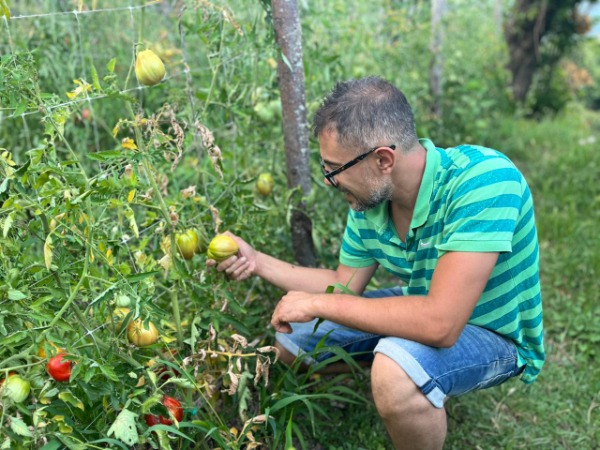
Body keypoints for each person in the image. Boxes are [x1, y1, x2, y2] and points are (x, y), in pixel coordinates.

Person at [208, 76, 544, 450]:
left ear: (383, 159)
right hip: (428, 304)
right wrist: (256, 261)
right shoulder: (371, 201)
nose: (329, 181)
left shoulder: (483, 180)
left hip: (496, 334)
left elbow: (441, 324)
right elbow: (343, 284)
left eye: (334, 169)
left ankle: (404, 381)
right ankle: (408, 379)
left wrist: (320, 304)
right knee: (294, 341)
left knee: (394, 370)